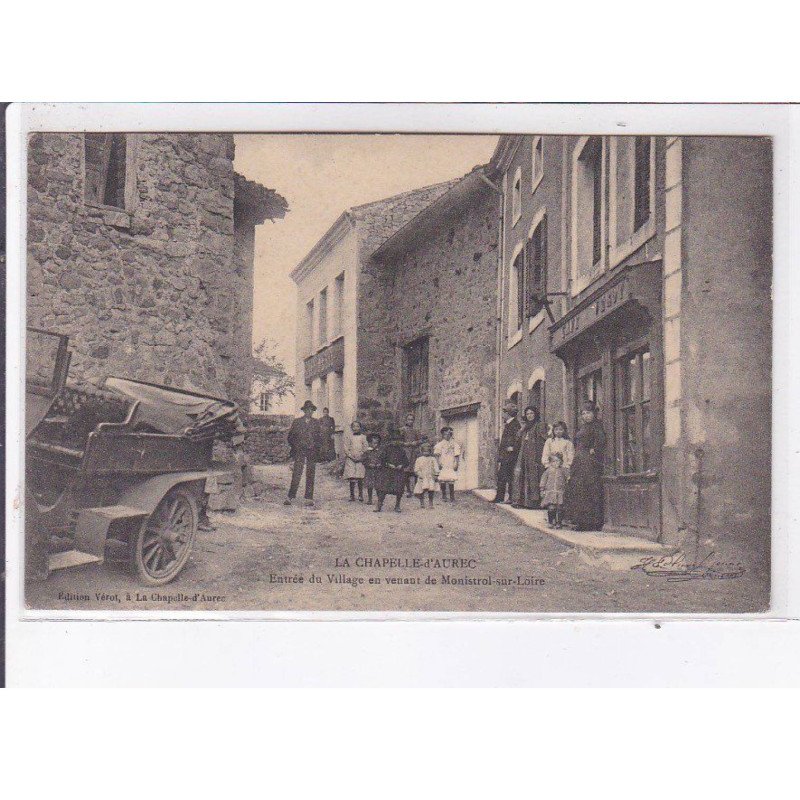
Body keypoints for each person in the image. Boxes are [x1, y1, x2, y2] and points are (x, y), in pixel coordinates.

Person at [563, 401, 607, 530]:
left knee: (589, 489)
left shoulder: (597, 426)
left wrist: (594, 450)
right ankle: (579, 521)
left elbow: (601, 442)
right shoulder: (583, 427)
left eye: (588, 413)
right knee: (578, 489)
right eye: (583, 413)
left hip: (589, 462)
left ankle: (591, 522)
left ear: (594, 413)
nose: (586, 416)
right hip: (579, 460)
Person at [285, 400, 324, 506]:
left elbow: (319, 438)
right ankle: (291, 496)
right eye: (307, 410)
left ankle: (309, 498)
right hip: (299, 450)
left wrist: (316, 448)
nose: (309, 411)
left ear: (313, 411)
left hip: (312, 451)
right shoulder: (297, 422)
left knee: (310, 473)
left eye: (311, 410)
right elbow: (290, 437)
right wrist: (296, 446)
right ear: (304, 411)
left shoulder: (316, 422)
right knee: (297, 472)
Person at [512, 406, 547, 509]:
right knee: (523, 476)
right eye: (527, 414)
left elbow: (542, 441)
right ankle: (523, 502)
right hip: (524, 455)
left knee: (534, 478)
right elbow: (518, 438)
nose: (530, 416)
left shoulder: (539, 425)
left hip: (534, 456)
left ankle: (534, 503)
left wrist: (538, 457)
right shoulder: (526, 427)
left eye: (531, 413)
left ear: (535, 414)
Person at [373, 427, 409, 513]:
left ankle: (397, 505)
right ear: (390, 440)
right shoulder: (386, 449)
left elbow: (406, 462)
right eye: (393, 440)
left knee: (399, 489)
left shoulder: (402, 450)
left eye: (397, 440)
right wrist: (388, 464)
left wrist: (401, 465)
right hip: (387, 472)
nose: (395, 442)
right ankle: (379, 504)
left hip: (398, 473)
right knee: (383, 489)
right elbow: (381, 460)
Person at [492, 400, 521, 503]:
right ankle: (500, 497)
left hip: (510, 456)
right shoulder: (509, 424)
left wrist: (511, 448)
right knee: (502, 476)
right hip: (505, 455)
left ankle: (510, 498)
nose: (502, 415)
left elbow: (516, 439)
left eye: (504, 413)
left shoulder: (515, 424)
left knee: (508, 476)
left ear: (508, 414)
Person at [400, 412, 426, 497]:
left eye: (412, 420)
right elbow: (399, 441)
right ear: (406, 420)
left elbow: (421, 440)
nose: (410, 421)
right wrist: (406, 444)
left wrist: (417, 442)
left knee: (415, 471)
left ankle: (416, 489)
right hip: (406, 452)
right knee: (406, 472)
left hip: (414, 453)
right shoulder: (402, 430)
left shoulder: (416, 430)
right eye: (409, 419)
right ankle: (408, 490)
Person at [434, 426, 461, 503]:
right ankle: (444, 495)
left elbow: (457, 454)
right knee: (442, 479)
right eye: (445, 434)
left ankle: (452, 496)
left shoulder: (454, 444)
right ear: (442, 435)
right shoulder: (440, 444)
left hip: (450, 463)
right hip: (443, 463)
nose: (447, 436)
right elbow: (437, 455)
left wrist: (456, 463)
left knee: (451, 479)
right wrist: (438, 463)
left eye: (449, 434)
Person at [540, 452, 568, 528]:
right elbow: (543, 480)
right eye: (554, 461)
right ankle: (551, 521)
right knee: (551, 508)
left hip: (560, 492)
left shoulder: (563, 470)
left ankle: (559, 522)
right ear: (550, 462)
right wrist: (542, 489)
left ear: (561, 461)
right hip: (550, 492)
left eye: (558, 461)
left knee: (560, 508)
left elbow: (567, 479)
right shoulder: (548, 471)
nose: (556, 463)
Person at [343, 420, 368, 502]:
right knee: (352, 477)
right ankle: (352, 495)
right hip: (351, 460)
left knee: (360, 477)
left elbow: (365, 448)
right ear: (351, 428)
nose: (356, 428)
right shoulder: (349, 437)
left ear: (360, 428)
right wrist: (351, 456)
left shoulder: (363, 437)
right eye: (354, 426)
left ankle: (360, 495)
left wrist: (361, 456)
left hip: (360, 459)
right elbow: (346, 448)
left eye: (357, 426)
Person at [414, 441, 439, 508]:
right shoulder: (419, 459)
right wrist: (419, 474)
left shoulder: (432, 459)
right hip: (422, 477)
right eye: (424, 451)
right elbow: (416, 469)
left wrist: (436, 474)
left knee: (431, 490)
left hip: (430, 476)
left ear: (430, 452)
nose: (426, 453)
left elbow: (436, 466)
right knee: (421, 490)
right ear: (421, 452)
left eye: (428, 451)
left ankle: (431, 503)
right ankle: (422, 502)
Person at [363, 433, 383, 505]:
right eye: (374, 443)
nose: (375, 445)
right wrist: (368, 464)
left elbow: (383, 460)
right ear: (369, 443)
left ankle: (379, 500)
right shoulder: (367, 452)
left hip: (378, 471)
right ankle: (370, 499)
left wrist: (380, 464)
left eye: (377, 443)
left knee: (378, 486)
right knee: (370, 485)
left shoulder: (380, 452)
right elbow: (364, 460)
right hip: (370, 471)